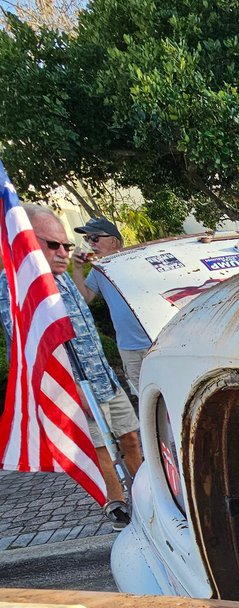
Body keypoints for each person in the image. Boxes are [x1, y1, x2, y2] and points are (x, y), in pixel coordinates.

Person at [0, 205, 142, 528]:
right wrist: (73, 389)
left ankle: (147, 498)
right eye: (53, 245)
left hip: (104, 377)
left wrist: (108, 374)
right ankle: (120, 510)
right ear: (28, 242)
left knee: (130, 437)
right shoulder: (16, 286)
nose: (63, 252)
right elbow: (29, 346)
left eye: (66, 245)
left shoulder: (62, 277)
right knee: (101, 448)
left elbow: (86, 316)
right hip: (77, 385)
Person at [72, 216, 151, 395]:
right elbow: (84, 298)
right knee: (146, 398)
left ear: (113, 241)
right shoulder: (98, 269)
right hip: (128, 348)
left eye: (95, 238)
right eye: (87, 239)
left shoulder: (137, 260)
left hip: (156, 341)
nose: (91, 243)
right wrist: (76, 267)